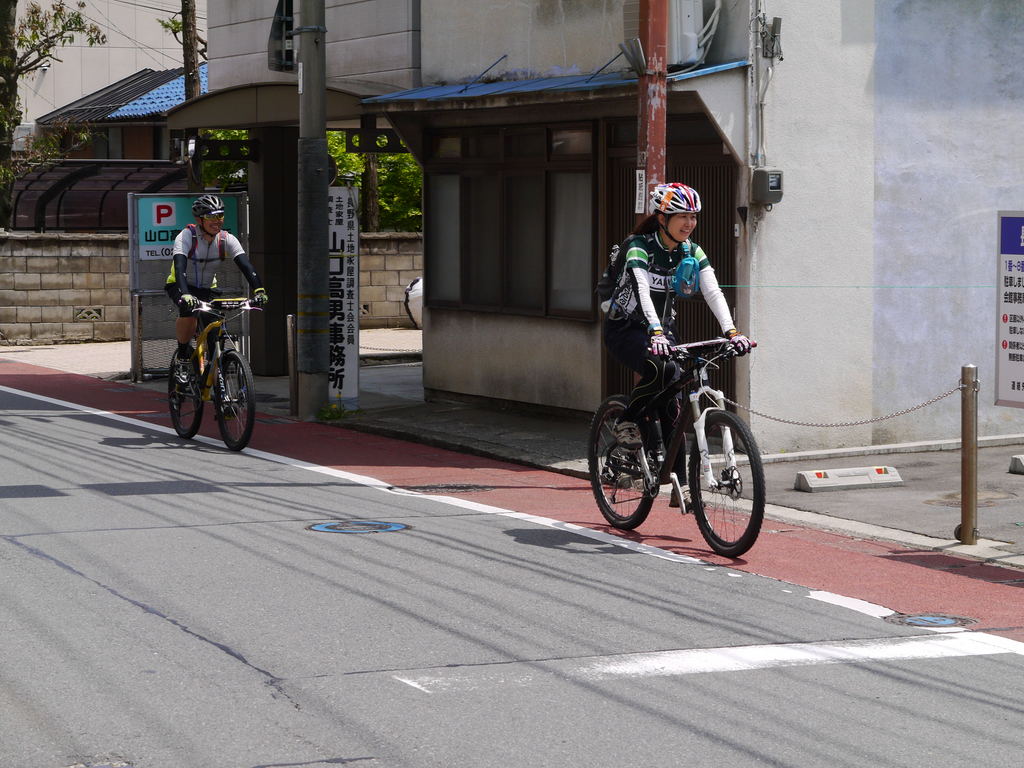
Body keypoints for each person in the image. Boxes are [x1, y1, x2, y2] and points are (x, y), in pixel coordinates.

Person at [604, 182, 752, 448]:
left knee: (674, 395)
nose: (689, 223)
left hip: (663, 329)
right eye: (682, 216)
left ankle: (675, 471)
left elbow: (713, 292)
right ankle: (627, 420)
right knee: (663, 368)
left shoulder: (691, 250)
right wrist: (655, 332)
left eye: (693, 216)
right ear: (662, 219)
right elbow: (641, 290)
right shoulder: (639, 246)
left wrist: (732, 332)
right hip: (625, 328)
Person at [165, 194, 268, 363]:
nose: (217, 221)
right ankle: (183, 356)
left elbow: (246, 266)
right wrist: (185, 294)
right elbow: (179, 267)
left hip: (207, 288)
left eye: (220, 215)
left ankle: (215, 367)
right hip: (180, 284)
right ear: (199, 219)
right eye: (210, 216)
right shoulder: (186, 236)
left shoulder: (226, 239)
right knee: (189, 313)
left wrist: (259, 290)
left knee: (215, 328)